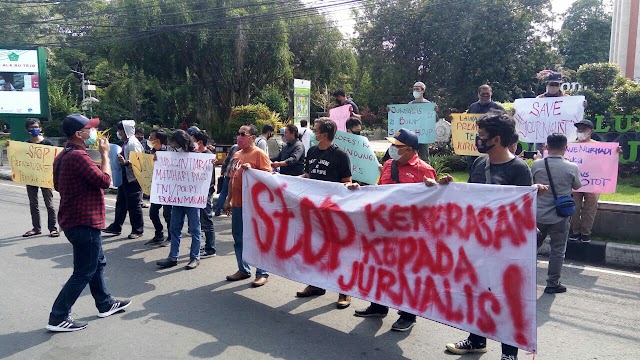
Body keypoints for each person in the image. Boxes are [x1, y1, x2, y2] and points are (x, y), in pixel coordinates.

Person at [438, 112, 547, 360]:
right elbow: (471, 197)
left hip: (505, 248)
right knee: (476, 293)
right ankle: (476, 340)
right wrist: (452, 186)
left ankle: (509, 352)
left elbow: (521, 213)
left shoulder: (518, 169)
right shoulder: (479, 164)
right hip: (477, 243)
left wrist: (530, 197)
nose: (478, 139)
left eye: (482, 135)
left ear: (496, 138)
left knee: (505, 298)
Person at [47, 114, 131, 332]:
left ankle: (105, 303)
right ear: (79, 134)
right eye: (89, 129)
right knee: (83, 271)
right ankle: (58, 316)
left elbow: (57, 185)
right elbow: (105, 181)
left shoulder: (63, 156)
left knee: (97, 264)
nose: (92, 132)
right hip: (84, 222)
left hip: (75, 220)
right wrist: (105, 155)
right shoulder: (79, 157)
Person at [354, 128, 437, 331]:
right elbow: (379, 192)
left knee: (407, 274)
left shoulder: (423, 170)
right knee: (380, 268)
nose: (391, 149)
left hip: (410, 234)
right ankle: (378, 305)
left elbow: (433, 205)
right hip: (384, 229)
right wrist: (359, 190)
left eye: (396, 146)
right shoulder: (389, 165)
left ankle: (408, 314)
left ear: (408, 149)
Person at [295, 117, 354, 309]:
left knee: (337, 252)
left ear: (325, 134)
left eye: (316, 130)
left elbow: (347, 182)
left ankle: (344, 291)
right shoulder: (311, 151)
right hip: (314, 210)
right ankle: (316, 285)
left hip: (333, 212)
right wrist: (288, 181)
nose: (313, 132)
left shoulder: (340, 155)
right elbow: (308, 175)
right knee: (316, 248)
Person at [532, 133, 582, 294]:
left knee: (531, 248)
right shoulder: (572, 167)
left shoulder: (536, 165)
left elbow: (530, 184)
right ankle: (553, 283)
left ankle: (523, 278)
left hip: (538, 214)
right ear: (565, 147)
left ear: (546, 146)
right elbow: (577, 186)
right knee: (558, 250)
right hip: (560, 216)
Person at [224, 124, 272, 287]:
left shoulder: (259, 154)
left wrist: (252, 170)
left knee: (257, 238)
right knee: (239, 237)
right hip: (238, 204)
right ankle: (243, 268)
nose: (239, 137)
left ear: (252, 137)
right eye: (238, 134)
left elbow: (268, 178)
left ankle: (262, 272)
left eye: (243, 134)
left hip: (254, 206)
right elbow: (232, 179)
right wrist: (228, 199)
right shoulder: (237, 154)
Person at [156, 130, 203, 270]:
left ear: (182, 142)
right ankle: (173, 257)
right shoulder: (172, 154)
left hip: (192, 198)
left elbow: (203, 170)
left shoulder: (196, 155)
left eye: (176, 144)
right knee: (174, 228)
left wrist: (208, 163)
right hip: (178, 197)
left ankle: (195, 257)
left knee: (195, 229)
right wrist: (158, 161)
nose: (173, 146)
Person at [103, 120, 145, 239]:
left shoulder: (133, 143)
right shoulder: (127, 142)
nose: (118, 133)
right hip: (126, 176)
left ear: (125, 130)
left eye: (120, 130)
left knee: (134, 205)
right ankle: (116, 226)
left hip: (134, 179)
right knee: (121, 202)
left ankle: (137, 229)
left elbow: (138, 161)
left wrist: (126, 162)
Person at [22, 119, 59, 238]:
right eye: (31, 128)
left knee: (49, 204)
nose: (34, 130)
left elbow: (54, 160)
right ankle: (36, 228)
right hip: (31, 177)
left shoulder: (47, 144)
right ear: (26, 129)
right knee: (33, 204)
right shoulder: (25, 145)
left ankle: (53, 228)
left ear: (40, 128)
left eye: (36, 127)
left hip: (45, 177)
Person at [569, 119, 598, 243]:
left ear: (591, 131)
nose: (580, 131)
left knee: (590, 208)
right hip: (575, 182)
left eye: (583, 129)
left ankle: (585, 233)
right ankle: (575, 231)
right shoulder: (570, 146)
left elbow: (608, 160)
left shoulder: (599, 146)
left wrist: (616, 152)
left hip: (593, 182)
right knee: (574, 207)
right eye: (579, 129)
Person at [144, 129, 173, 246]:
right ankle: (159, 234)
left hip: (167, 189)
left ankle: (171, 236)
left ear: (158, 140)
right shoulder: (151, 152)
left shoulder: (168, 153)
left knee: (168, 214)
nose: (149, 140)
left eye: (151, 137)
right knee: (153, 212)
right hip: (156, 188)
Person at [192, 130, 217, 258]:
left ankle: (211, 249)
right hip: (200, 192)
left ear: (199, 142)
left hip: (205, 193)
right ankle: (208, 246)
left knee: (207, 219)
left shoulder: (208, 156)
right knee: (203, 219)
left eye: (193, 140)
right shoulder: (198, 155)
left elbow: (209, 179)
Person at [215, 144, 240, 216]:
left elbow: (227, 160)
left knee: (223, 192)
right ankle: (230, 210)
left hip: (228, 172)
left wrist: (223, 170)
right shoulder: (245, 148)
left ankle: (218, 210)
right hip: (236, 174)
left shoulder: (234, 147)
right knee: (233, 192)